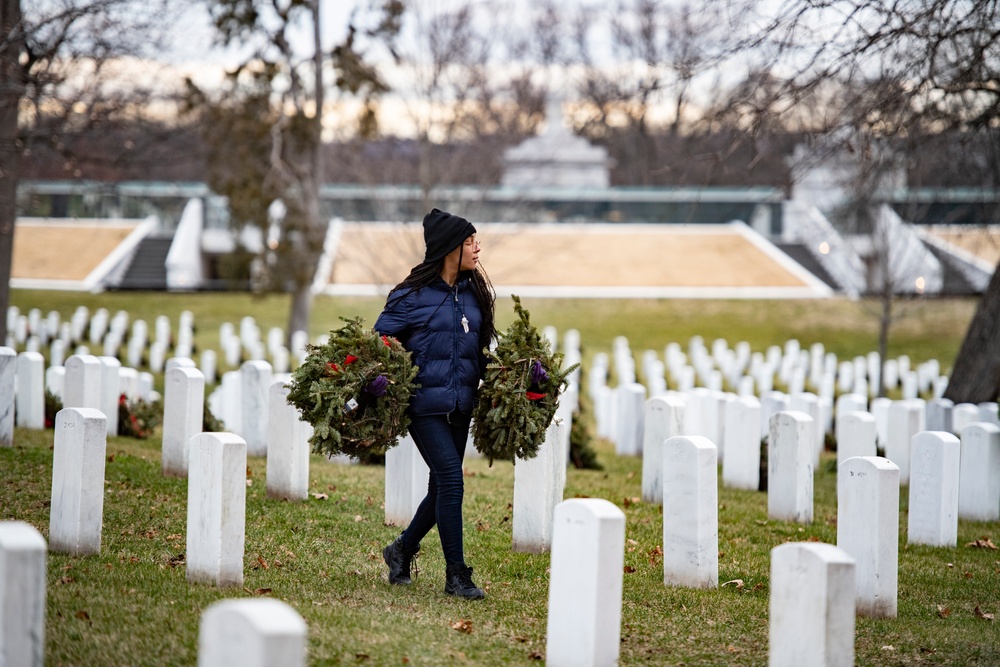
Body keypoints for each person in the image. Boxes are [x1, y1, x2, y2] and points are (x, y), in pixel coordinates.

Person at [374, 208, 497, 600]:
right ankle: (456, 574)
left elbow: (480, 348)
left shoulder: (475, 293)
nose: (477, 247)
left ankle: (401, 550)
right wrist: (378, 378)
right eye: (469, 242)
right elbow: (379, 344)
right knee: (452, 479)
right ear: (448, 249)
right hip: (423, 404)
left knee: (441, 486)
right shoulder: (411, 297)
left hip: (461, 404)